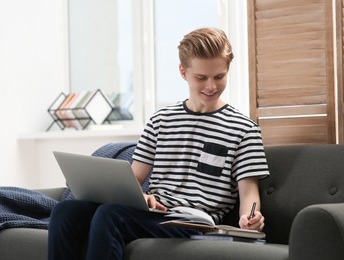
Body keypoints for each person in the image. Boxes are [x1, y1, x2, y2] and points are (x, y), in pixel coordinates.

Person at [48, 27, 270, 260]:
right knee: (66, 210)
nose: (211, 86)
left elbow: (249, 194)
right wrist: (140, 197)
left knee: (110, 215)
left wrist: (250, 218)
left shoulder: (244, 129)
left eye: (219, 76)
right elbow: (134, 179)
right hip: (155, 213)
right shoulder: (160, 120)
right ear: (183, 72)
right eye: (201, 78)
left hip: (196, 222)